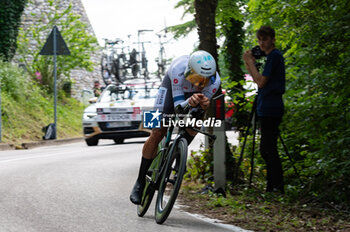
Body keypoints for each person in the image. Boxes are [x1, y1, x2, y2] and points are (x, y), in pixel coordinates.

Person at [130, 50, 221, 204]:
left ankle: (178, 152)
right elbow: (179, 109)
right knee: (157, 131)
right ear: (188, 71)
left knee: (193, 125)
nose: (199, 84)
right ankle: (139, 182)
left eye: (204, 81)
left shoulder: (215, 82)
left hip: (191, 98)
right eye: (196, 78)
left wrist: (203, 106)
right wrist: (188, 102)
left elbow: (197, 112)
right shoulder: (178, 69)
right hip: (170, 90)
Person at [242, 26, 286, 193]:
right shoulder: (270, 58)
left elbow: (260, 82)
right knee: (266, 149)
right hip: (265, 107)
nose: (261, 43)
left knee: (269, 149)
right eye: (259, 39)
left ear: (273, 39)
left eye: (265, 39)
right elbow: (256, 78)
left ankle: (277, 187)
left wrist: (250, 63)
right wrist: (249, 63)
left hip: (271, 108)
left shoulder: (274, 56)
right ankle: (272, 186)